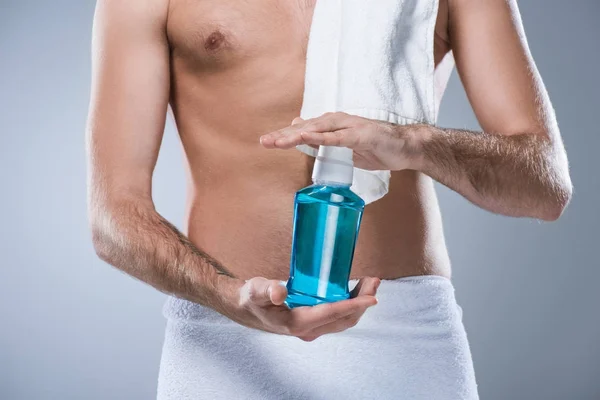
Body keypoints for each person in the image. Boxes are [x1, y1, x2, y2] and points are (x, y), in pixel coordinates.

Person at [86, 0, 572, 398]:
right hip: (224, 340)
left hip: (403, 342)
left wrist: (413, 143)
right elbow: (114, 216)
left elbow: (545, 188)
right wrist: (228, 298)